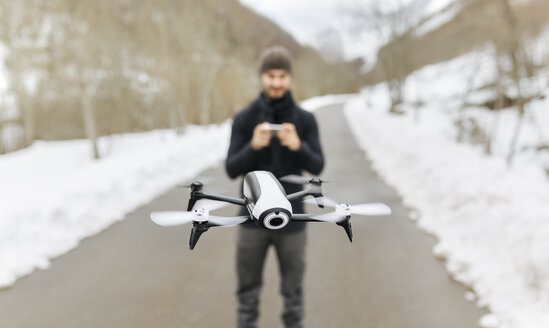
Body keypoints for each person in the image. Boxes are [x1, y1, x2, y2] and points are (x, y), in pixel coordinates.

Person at [225, 46, 324, 328]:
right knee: (247, 294)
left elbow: (318, 166)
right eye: (271, 75)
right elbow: (232, 168)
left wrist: (299, 146)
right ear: (261, 77)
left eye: (282, 75)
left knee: (294, 295)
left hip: (292, 222)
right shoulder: (244, 118)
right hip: (250, 220)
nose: (277, 82)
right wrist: (253, 147)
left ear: (290, 77)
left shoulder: (305, 119)